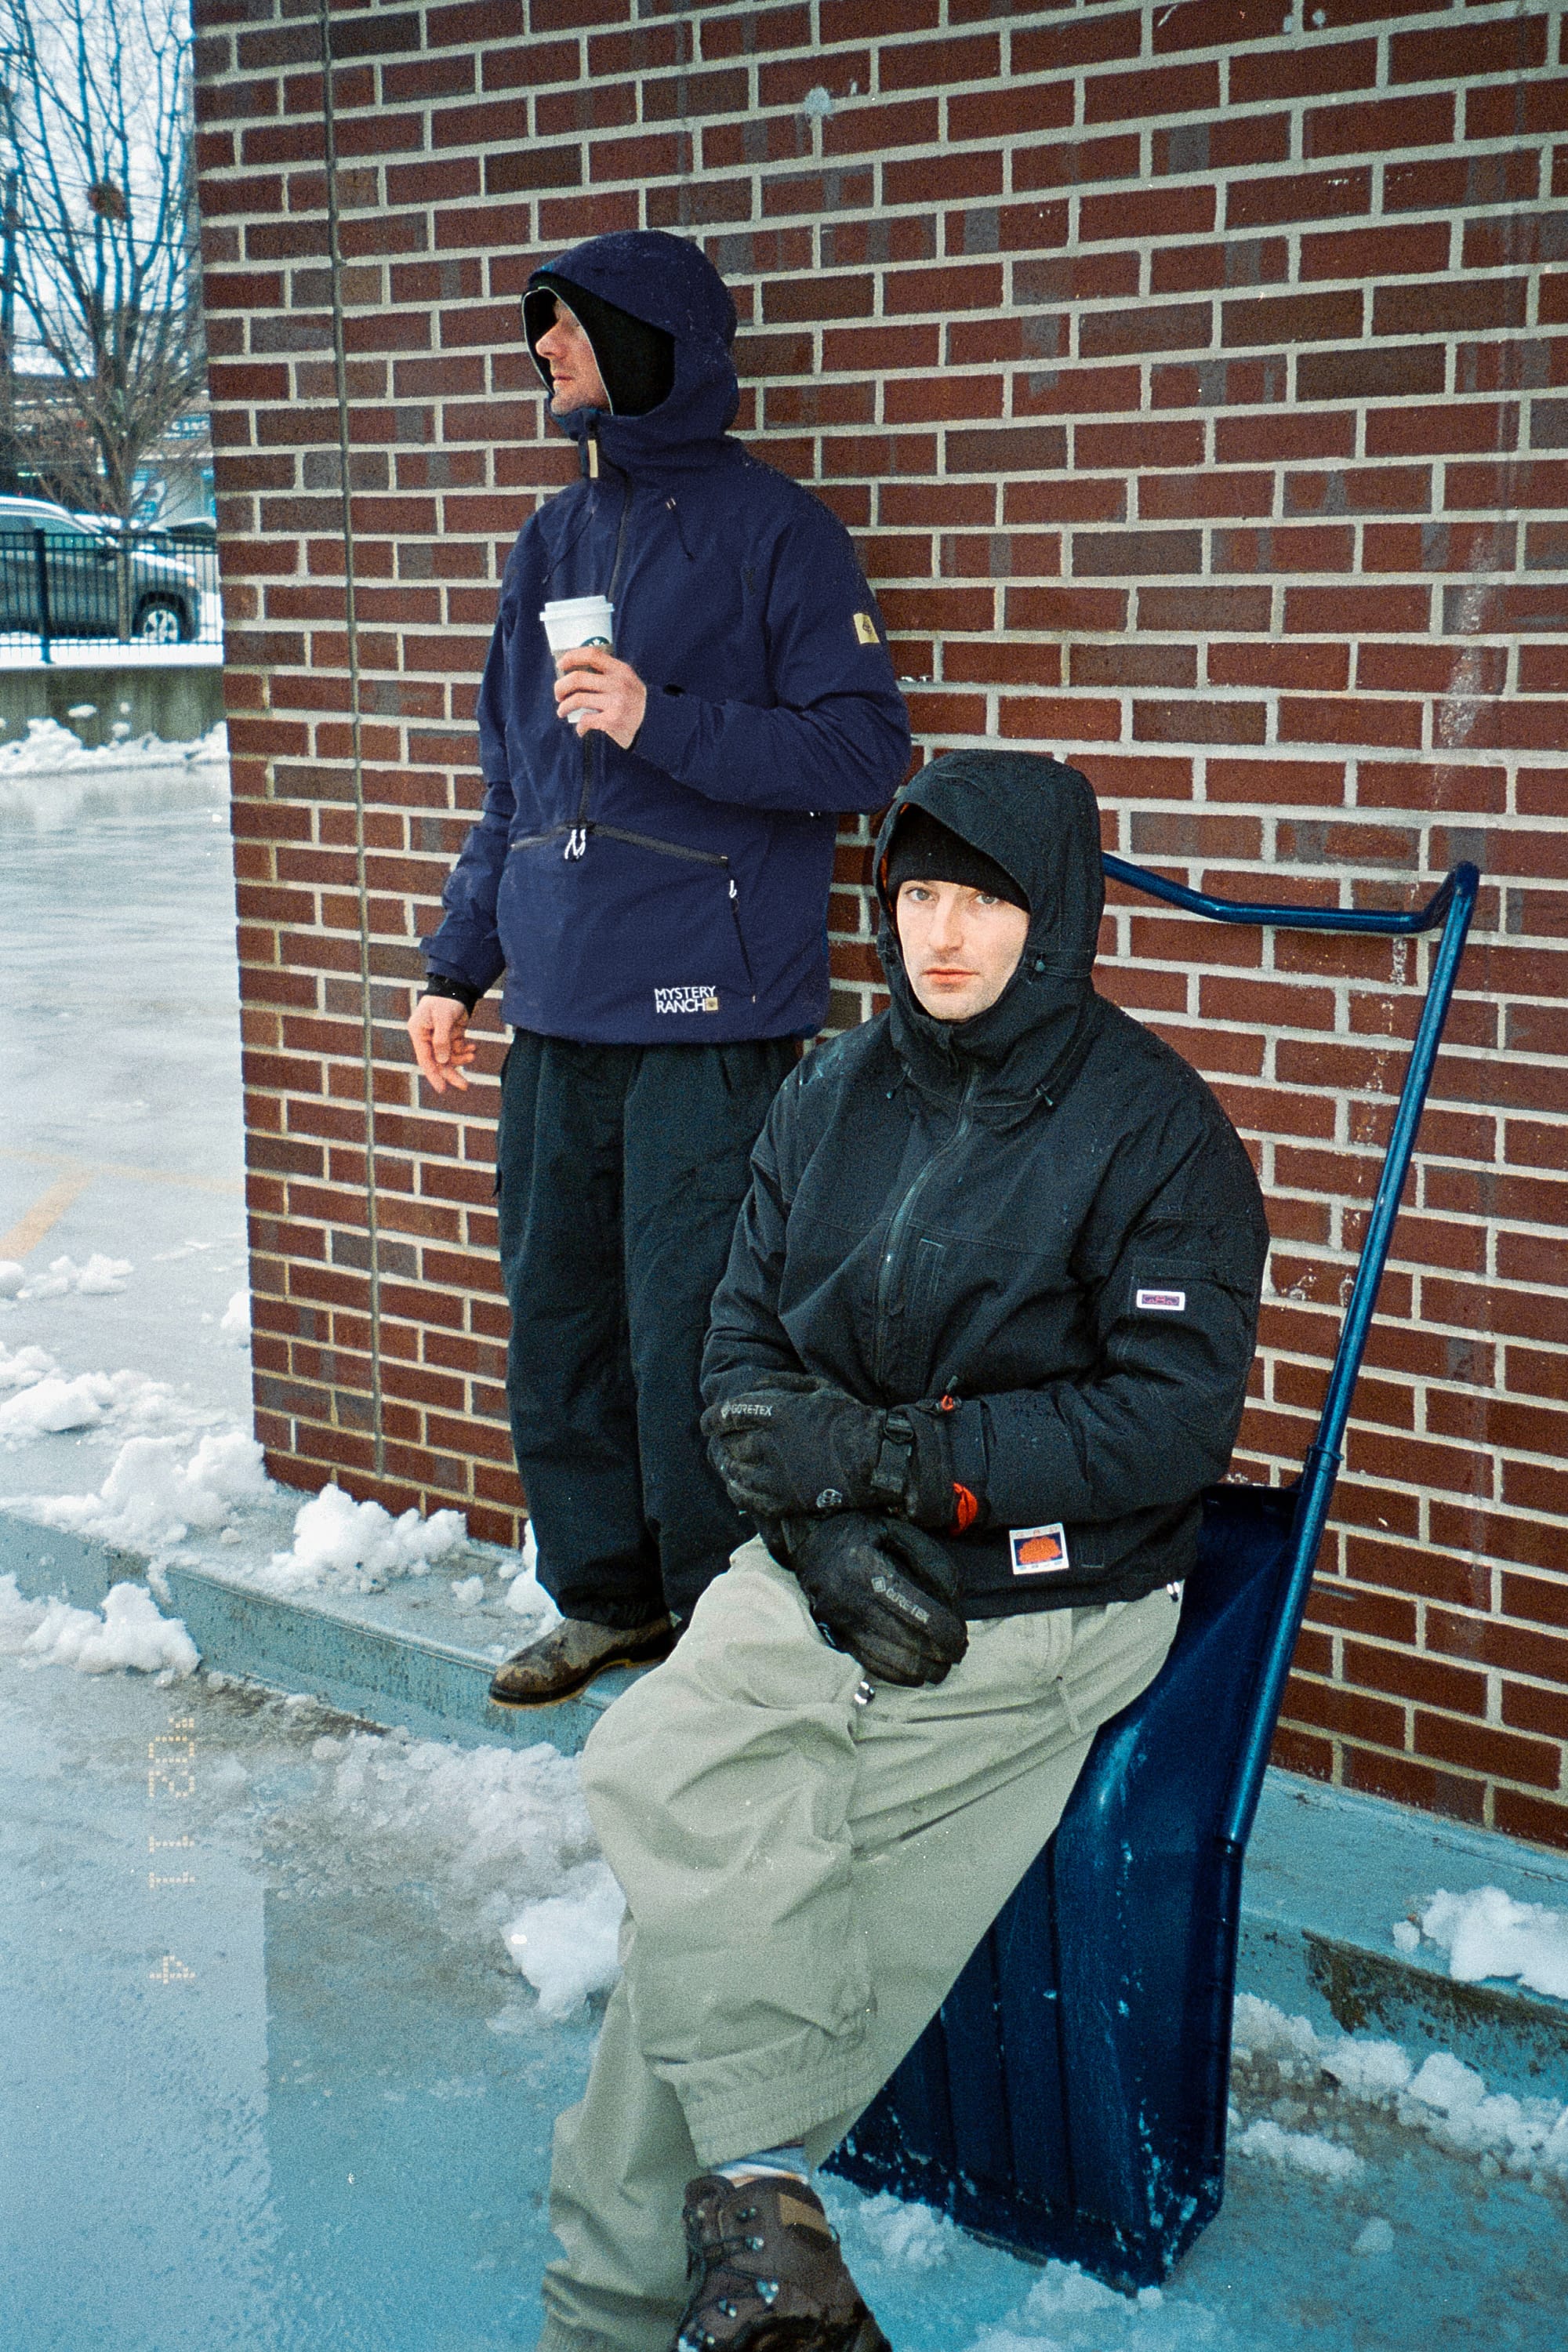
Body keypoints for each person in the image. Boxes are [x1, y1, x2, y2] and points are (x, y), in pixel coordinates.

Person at [531, 749, 1271, 2352]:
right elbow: (740, 1353)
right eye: (918, 894)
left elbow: (1164, 1426)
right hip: (815, 1565)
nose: (942, 935)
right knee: (662, 1771)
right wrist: (817, 1527)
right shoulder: (828, 1093)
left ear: (1053, 914)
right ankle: (760, 2220)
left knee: (720, 1920)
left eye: (983, 902)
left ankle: (605, 2311)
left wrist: (894, 1468)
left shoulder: (1158, 1133)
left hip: (1043, 1601)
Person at [408, 230, 910, 1704]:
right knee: (560, 1325)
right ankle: (606, 1600)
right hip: (560, 1011)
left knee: (698, 1332)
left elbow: (864, 753)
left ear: (647, 343)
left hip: (709, 1012)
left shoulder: (780, 534)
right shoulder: (549, 541)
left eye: (566, 327)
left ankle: (716, 1625)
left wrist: (657, 716)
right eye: (542, 329)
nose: (543, 351)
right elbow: (512, 786)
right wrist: (456, 967)